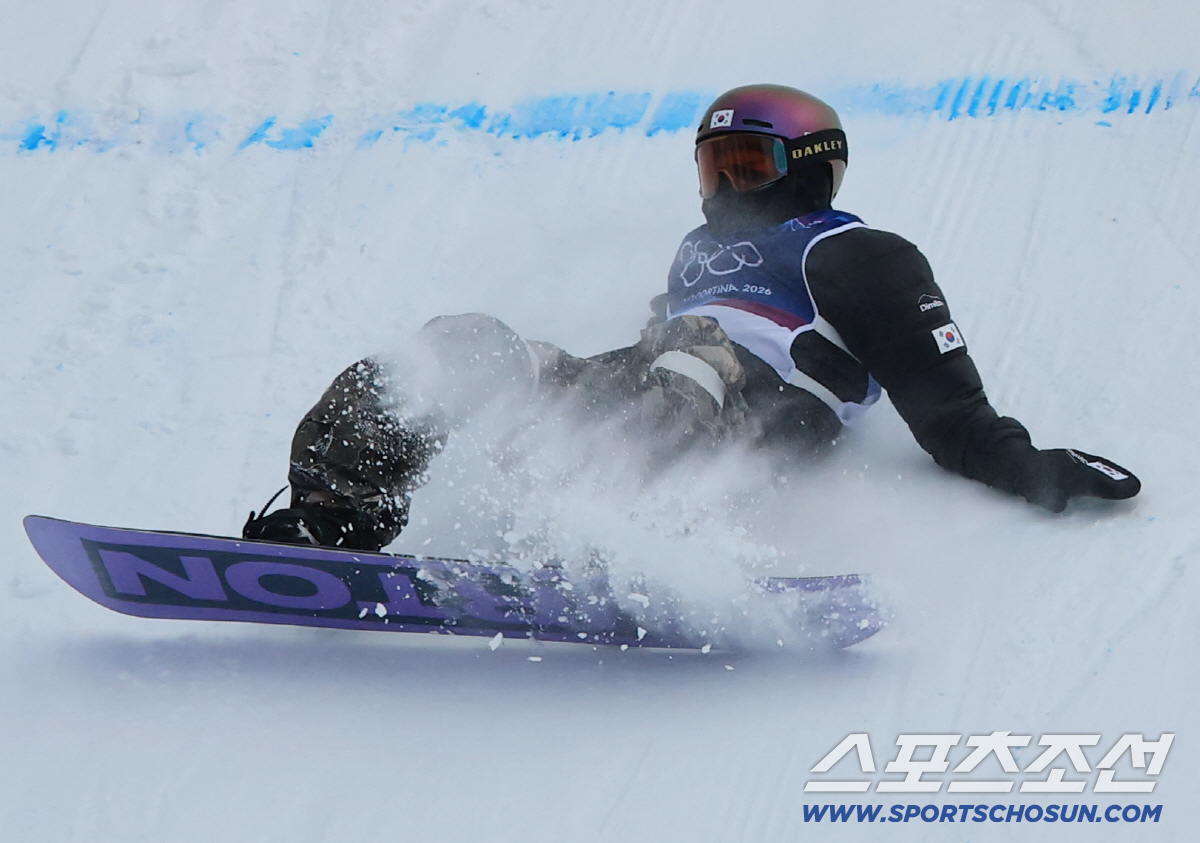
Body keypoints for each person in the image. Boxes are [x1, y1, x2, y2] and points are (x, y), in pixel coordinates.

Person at [243, 83, 1140, 552]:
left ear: (812, 168)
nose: (726, 185)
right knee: (468, 345)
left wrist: (1035, 468)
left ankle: (604, 532)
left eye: (750, 164)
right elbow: (654, 350)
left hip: (765, 407)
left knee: (694, 350)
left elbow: (952, 412)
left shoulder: (860, 252)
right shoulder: (692, 250)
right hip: (661, 375)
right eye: (716, 166)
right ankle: (336, 512)